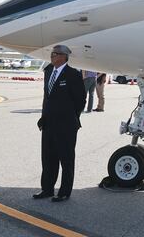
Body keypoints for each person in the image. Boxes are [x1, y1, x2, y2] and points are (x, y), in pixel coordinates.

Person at [33, 45, 86, 202]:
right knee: (48, 158)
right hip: (49, 124)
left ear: (64, 56)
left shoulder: (73, 74)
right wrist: (44, 117)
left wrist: (71, 118)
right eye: (51, 54)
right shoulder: (49, 71)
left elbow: (80, 100)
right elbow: (47, 98)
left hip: (67, 125)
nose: (51, 56)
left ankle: (64, 192)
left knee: (66, 159)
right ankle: (47, 189)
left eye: (55, 54)